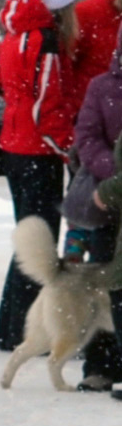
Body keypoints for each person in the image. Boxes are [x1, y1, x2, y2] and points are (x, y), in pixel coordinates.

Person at [0, 0, 88, 351]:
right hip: (37, 152)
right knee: (40, 244)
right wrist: (68, 148)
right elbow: (45, 108)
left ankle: (9, 326)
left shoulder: (16, 34)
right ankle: (22, 330)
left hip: (16, 148)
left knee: (28, 238)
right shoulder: (44, 41)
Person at [65, 39, 122, 388]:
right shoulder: (101, 87)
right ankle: (102, 365)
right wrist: (113, 172)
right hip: (108, 199)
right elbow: (86, 137)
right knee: (103, 281)